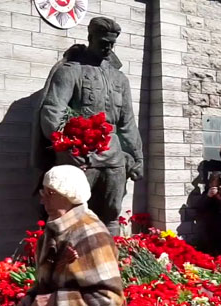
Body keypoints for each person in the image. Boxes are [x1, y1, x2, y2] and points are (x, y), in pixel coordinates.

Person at [17, 165, 124, 306]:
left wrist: (56, 301)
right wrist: (30, 297)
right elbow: (48, 281)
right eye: (44, 191)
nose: (42, 197)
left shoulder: (90, 234)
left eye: (49, 192)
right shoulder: (55, 229)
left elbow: (110, 299)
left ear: (68, 195)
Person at [37, 17, 144, 236]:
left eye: (112, 44)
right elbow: (52, 110)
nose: (108, 48)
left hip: (113, 155)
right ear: (90, 38)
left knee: (111, 213)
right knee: (71, 211)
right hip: (80, 154)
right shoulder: (70, 71)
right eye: (103, 42)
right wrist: (67, 147)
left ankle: (113, 260)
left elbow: (127, 122)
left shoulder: (119, 79)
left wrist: (137, 157)